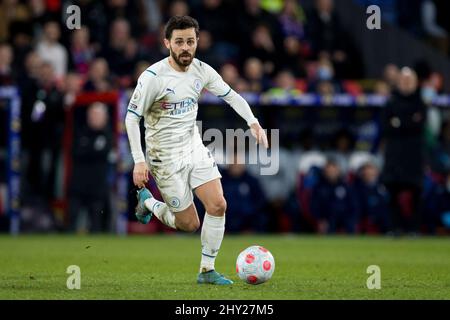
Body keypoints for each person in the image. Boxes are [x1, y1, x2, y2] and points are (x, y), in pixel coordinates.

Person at [124, 16, 268, 285]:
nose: (185, 47)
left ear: (197, 42)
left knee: (218, 205)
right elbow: (132, 118)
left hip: (193, 147)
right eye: (179, 42)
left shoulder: (201, 70)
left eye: (190, 41)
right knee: (189, 224)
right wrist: (139, 161)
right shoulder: (153, 78)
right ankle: (148, 202)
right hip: (163, 158)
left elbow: (231, 95)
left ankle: (207, 271)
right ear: (167, 43)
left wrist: (253, 122)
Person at [381, 67, 427, 235]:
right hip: (394, 155)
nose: (406, 84)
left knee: (416, 193)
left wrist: (399, 122)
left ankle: (414, 228)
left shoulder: (420, 102)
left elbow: (419, 125)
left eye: (410, 80)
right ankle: (395, 228)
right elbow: (386, 126)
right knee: (392, 193)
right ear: (398, 82)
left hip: (414, 155)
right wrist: (408, 122)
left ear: (415, 83)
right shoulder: (391, 101)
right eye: (403, 80)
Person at [69, 102, 113, 233]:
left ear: (105, 118)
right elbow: (75, 152)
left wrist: (87, 150)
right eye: (92, 115)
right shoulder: (80, 132)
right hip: (79, 182)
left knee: (96, 220)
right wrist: (93, 150)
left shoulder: (108, 135)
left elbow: (103, 152)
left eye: (98, 116)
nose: (94, 118)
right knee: (72, 217)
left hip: (97, 184)